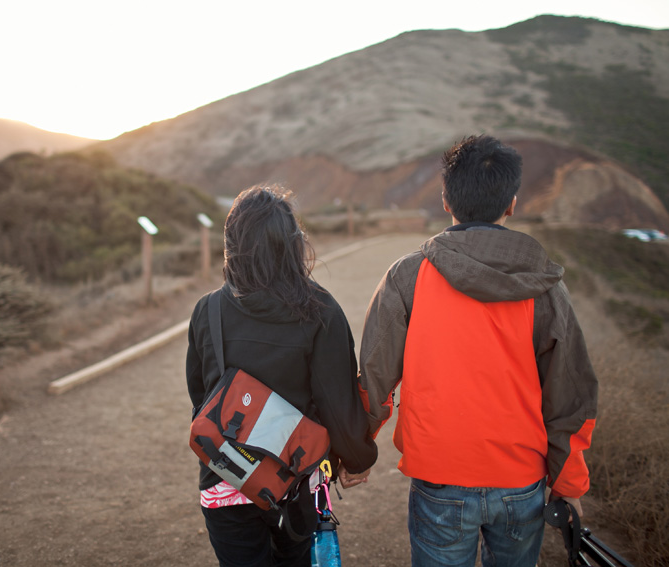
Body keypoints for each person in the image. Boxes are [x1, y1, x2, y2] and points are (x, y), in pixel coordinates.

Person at [349, 135, 598, 567]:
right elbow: (572, 395)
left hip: (439, 478)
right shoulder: (544, 285)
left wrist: (356, 450)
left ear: (446, 200)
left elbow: (374, 374)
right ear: (513, 203)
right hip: (521, 482)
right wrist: (569, 484)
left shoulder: (409, 276)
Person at [186, 184, 378, 567]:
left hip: (225, 479)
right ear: (292, 245)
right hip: (295, 485)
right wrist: (357, 459)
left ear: (232, 246)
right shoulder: (321, 310)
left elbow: (201, 397)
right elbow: (337, 403)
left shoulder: (207, 311)